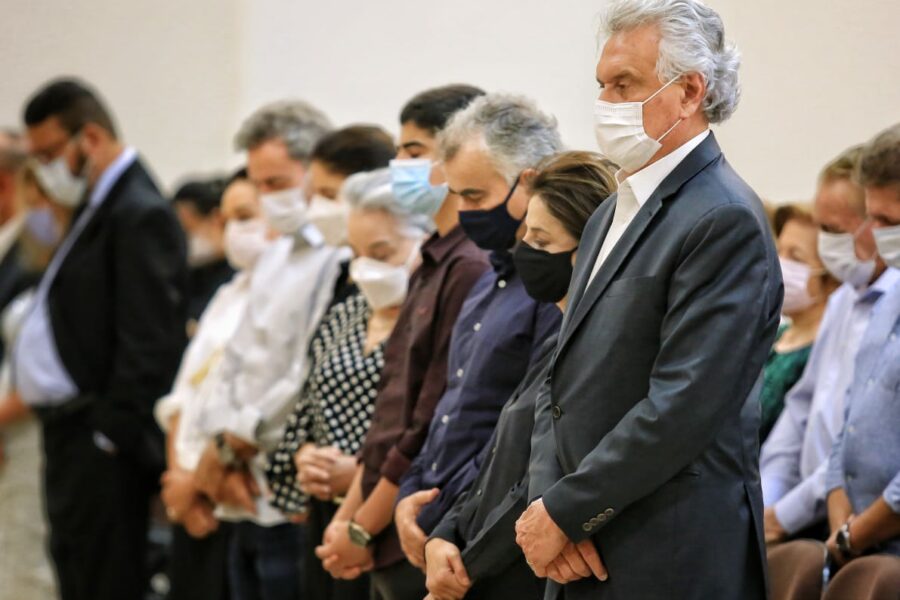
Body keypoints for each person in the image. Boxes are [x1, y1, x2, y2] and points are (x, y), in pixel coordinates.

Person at [517, 1, 782, 597]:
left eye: (624, 84)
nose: (606, 103)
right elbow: (560, 379)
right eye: (602, 85)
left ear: (689, 91)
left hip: (667, 550)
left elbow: (684, 404)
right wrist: (546, 500)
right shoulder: (612, 209)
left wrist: (566, 509)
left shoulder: (723, 218)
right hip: (582, 545)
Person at [14, 78, 188, 600]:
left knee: (105, 578)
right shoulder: (96, 205)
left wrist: (109, 434)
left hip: (102, 438)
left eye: (48, 154)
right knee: (75, 570)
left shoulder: (139, 210)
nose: (42, 170)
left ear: (89, 138)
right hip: (71, 431)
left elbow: (149, 337)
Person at [313, 84, 489, 600]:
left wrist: (362, 524)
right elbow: (390, 408)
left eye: (413, 151)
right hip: (381, 519)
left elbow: (431, 416)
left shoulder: (471, 263)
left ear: (459, 153)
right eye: (398, 152)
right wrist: (350, 518)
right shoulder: (432, 260)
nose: (399, 166)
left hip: (418, 522)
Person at [391, 93, 564, 598]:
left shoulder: (551, 289)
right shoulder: (489, 280)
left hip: (489, 539)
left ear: (527, 182)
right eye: (459, 196)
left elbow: (519, 429)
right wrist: (409, 495)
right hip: (440, 526)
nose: (463, 213)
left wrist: (448, 516)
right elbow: (450, 408)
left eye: (475, 196)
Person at [424, 151, 617, 600]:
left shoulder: (596, 354)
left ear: (586, 254)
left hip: (515, 577)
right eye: (525, 234)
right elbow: (495, 458)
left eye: (542, 242)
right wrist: (444, 533)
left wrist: (464, 569)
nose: (525, 251)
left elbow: (537, 483)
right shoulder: (558, 340)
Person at [188, 100, 344, 600]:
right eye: (259, 185)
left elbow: (306, 369)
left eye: (277, 183)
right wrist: (219, 443)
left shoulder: (335, 257)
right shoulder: (276, 258)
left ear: (312, 169)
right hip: (240, 490)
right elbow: (234, 360)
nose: (267, 197)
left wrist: (237, 441)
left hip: (287, 490)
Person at [267, 168, 430, 600]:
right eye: (356, 254)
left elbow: (426, 423)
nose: (368, 270)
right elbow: (305, 404)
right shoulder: (345, 314)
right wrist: (304, 457)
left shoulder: (432, 321)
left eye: (383, 252)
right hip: (325, 517)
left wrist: (358, 473)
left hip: (388, 517)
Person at [769, 123, 900, 600]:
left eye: (888, 222)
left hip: (877, 534)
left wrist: (850, 530)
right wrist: (775, 500)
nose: (878, 236)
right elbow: (830, 413)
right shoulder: (863, 300)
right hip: (835, 522)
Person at [154, 172, 267, 600]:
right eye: (227, 220)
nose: (234, 231)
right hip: (187, 491)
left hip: (227, 496)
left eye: (245, 216)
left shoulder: (283, 295)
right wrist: (178, 478)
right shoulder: (228, 293)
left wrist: (196, 483)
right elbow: (183, 394)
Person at [759, 205, 840, 441]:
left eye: (795, 257)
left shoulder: (824, 349)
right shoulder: (777, 333)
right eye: (779, 251)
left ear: (829, 273)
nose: (779, 263)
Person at [172, 177, 235, 331]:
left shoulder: (239, 275)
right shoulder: (189, 276)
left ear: (217, 218)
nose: (185, 240)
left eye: (188, 229)